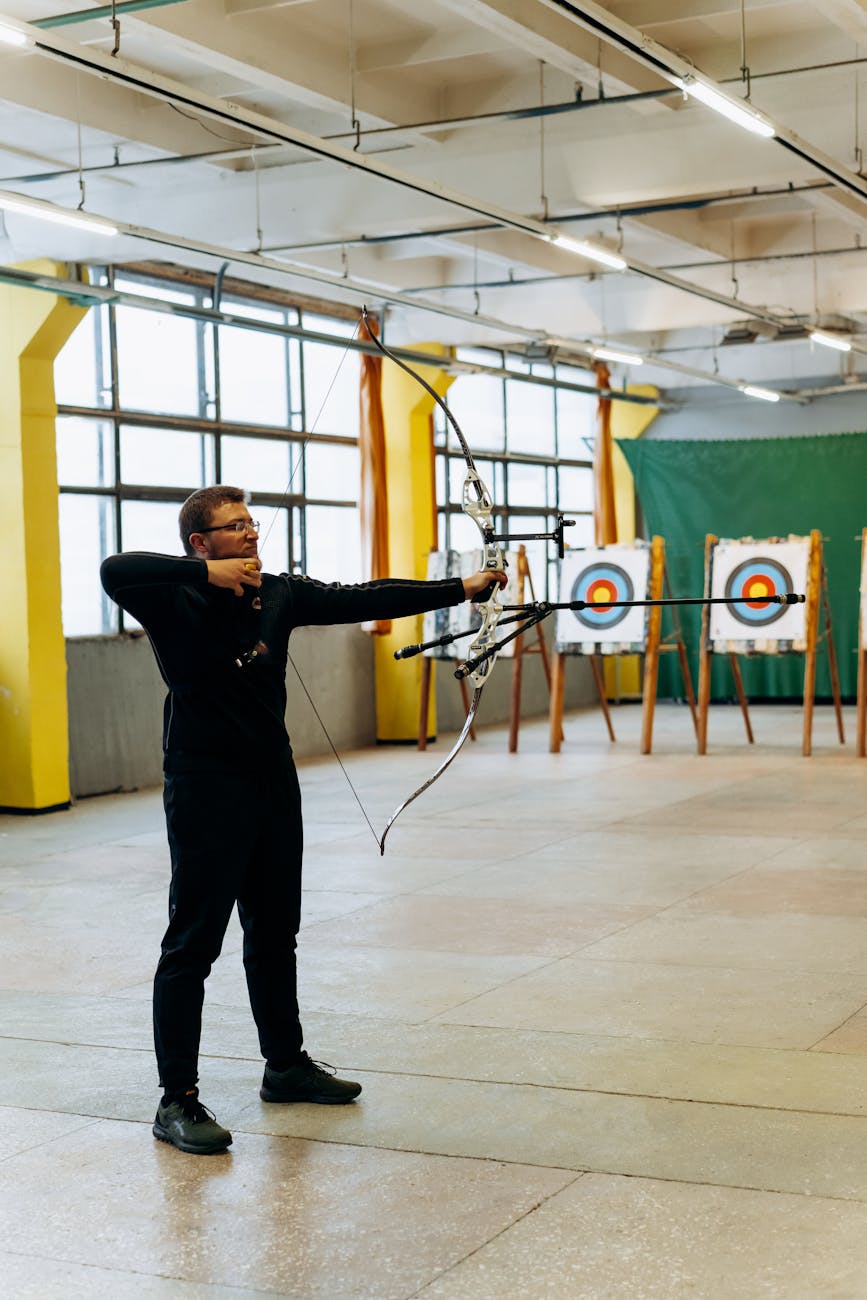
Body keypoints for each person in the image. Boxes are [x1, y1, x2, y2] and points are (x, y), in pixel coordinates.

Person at [100, 484, 506, 1156]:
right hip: (204, 785)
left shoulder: (279, 595)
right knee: (192, 943)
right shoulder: (170, 594)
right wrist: (206, 575)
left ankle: (283, 1065)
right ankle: (177, 1099)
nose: (252, 535)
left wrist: (460, 587)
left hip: (272, 780)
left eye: (252, 524)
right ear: (201, 543)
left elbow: (366, 596)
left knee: (273, 929)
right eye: (235, 528)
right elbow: (115, 567)